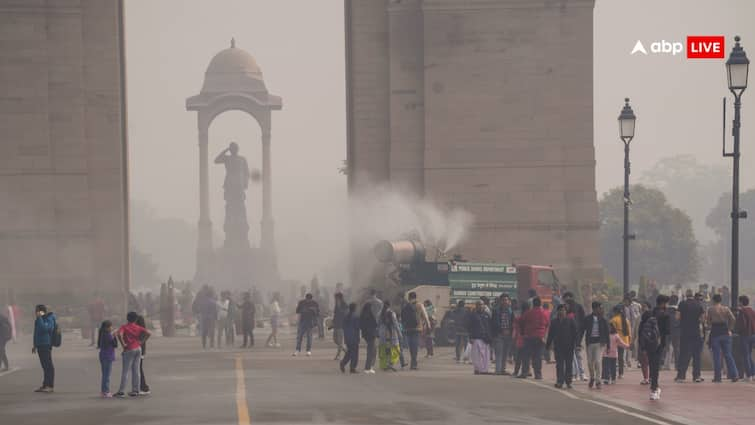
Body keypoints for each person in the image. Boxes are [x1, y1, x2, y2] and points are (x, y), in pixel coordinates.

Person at [640, 295, 670, 400]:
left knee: (652, 364)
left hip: (648, 343)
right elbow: (668, 331)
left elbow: (642, 330)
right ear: (663, 303)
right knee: (655, 366)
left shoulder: (648, 314)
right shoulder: (665, 315)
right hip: (659, 344)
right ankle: (654, 388)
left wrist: (642, 345)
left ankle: (654, 387)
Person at [114, 311, 151, 398]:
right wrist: (141, 341)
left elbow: (119, 334)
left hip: (129, 349)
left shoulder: (124, 327)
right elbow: (149, 333)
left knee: (125, 371)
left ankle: (121, 391)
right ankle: (135, 390)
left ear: (127, 318)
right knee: (136, 370)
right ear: (136, 319)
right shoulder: (138, 327)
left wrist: (123, 345)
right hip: (138, 348)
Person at [706, 293, 738, 383]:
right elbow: (733, 319)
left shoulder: (711, 309)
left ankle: (717, 377)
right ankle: (734, 375)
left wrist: (709, 325)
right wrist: (730, 329)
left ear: (713, 300)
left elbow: (708, 321)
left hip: (715, 332)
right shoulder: (726, 308)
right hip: (725, 331)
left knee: (717, 356)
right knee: (728, 355)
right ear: (720, 300)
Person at [675, 290, 706, 383]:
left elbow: (677, 317)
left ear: (686, 295)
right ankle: (696, 375)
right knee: (696, 355)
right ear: (693, 296)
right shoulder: (698, 305)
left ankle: (681, 375)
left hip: (685, 332)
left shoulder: (682, 304)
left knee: (684, 354)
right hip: (696, 332)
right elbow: (703, 319)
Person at [546, 304, 578, 388]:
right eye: (560, 310)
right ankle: (560, 381)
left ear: (566, 311)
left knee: (568, 364)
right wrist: (548, 345)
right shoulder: (554, 322)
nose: (562, 312)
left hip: (569, 346)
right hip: (558, 346)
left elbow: (575, 333)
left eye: (563, 310)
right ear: (557, 311)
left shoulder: (571, 321)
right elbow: (550, 334)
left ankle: (568, 382)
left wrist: (577, 344)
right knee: (559, 364)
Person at [517, 297, 549, 380]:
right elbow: (547, 324)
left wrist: (523, 332)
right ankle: (538, 374)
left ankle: (524, 372)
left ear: (533, 304)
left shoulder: (528, 313)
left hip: (529, 336)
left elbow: (521, 321)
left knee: (526, 355)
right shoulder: (544, 313)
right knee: (537, 356)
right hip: (540, 337)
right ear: (540, 304)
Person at [581, 301, 608, 389]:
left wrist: (608, 345)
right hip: (590, 343)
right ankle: (592, 377)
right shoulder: (587, 319)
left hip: (599, 343)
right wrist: (578, 343)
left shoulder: (603, 320)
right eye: (600, 308)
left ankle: (598, 381)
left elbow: (607, 333)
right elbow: (582, 331)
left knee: (597, 361)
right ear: (595, 309)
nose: (601, 310)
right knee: (589, 363)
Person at [401, 292, 430, 371]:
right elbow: (425, 316)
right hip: (417, 328)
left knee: (411, 346)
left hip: (407, 328)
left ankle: (413, 362)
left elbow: (402, 317)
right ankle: (414, 364)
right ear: (415, 297)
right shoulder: (419, 305)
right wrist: (428, 325)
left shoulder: (405, 305)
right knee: (415, 346)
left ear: (409, 297)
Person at [32, 304, 57, 393]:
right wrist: (34, 345)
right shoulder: (39, 320)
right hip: (40, 345)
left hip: (46, 344)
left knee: (48, 366)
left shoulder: (49, 318)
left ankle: (50, 386)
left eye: (37, 311)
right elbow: (36, 333)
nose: (35, 313)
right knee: (44, 366)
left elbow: (45, 329)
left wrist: (39, 318)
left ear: (41, 311)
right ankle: (45, 385)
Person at [563, 292, 587, 381]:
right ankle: (574, 374)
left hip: (577, 335)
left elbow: (583, 322)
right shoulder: (563, 309)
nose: (567, 301)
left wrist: (580, 336)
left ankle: (581, 373)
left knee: (577, 355)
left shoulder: (579, 307)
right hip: (567, 337)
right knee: (571, 356)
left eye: (569, 298)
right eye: (566, 299)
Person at [465, 300, 492, 374]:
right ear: (476, 306)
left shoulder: (487, 315)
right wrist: (470, 337)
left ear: (484, 305)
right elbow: (469, 327)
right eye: (479, 305)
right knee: (476, 356)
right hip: (476, 338)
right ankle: (477, 369)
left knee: (485, 355)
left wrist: (490, 337)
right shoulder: (472, 315)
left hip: (485, 338)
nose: (480, 306)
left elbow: (490, 326)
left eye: (482, 304)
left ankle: (484, 370)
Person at [491, 294, 515, 375]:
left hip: (508, 335)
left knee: (505, 353)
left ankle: (503, 369)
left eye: (506, 300)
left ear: (509, 301)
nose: (505, 301)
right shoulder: (496, 310)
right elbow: (495, 323)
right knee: (499, 353)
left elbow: (513, 322)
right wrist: (502, 330)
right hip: (499, 335)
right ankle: (498, 370)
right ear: (500, 301)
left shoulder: (511, 311)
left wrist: (510, 331)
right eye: (503, 300)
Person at [735, 295, 755, 381]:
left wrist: (737, 331)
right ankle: (753, 373)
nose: (738, 303)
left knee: (745, 355)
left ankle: (748, 375)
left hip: (744, 335)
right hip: (752, 335)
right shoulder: (752, 310)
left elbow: (741, 325)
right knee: (749, 355)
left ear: (741, 302)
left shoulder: (742, 311)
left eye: (739, 301)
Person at [609, 305, 631, 379]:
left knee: (613, 357)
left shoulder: (613, 320)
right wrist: (629, 341)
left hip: (615, 341)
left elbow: (611, 331)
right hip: (624, 341)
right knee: (621, 358)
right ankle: (621, 373)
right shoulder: (626, 320)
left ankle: (612, 373)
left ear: (615, 311)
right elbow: (629, 332)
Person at [378, 301, 401, 372]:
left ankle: (384, 365)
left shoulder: (379, 313)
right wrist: (399, 333)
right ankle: (390, 364)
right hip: (391, 334)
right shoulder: (392, 313)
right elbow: (396, 324)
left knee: (384, 350)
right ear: (389, 305)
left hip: (382, 334)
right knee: (395, 350)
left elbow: (378, 323)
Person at [97, 320, 117, 397]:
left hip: (102, 355)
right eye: (111, 326)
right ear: (107, 327)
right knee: (107, 375)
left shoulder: (102, 334)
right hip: (108, 356)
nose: (112, 328)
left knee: (104, 374)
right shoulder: (108, 335)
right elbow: (115, 344)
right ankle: (106, 391)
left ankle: (103, 391)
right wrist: (114, 336)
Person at [340, 303, 361, 374]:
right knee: (354, 353)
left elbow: (343, 326)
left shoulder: (346, 316)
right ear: (355, 308)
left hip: (348, 337)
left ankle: (343, 363)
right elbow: (358, 327)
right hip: (354, 337)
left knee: (349, 352)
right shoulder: (356, 317)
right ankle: (352, 367)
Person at [359, 300, 379, 374]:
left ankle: (370, 366)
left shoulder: (362, 315)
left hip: (366, 335)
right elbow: (375, 324)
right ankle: (368, 367)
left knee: (371, 350)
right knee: (371, 351)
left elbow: (361, 325)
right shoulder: (370, 315)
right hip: (371, 335)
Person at [663, 295, 680, 371]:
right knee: (676, 349)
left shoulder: (665, 310)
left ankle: (666, 364)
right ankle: (677, 365)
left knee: (666, 348)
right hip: (676, 331)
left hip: (667, 331)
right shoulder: (678, 311)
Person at [512, 301, 528, 377]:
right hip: (528, 338)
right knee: (526, 357)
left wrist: (514, 336)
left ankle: (516, 371)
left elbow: (516, 328)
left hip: (520, 339)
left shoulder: (519, 318)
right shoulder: (530, 316)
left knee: (519, 357)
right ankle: (525, 371)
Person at [135, 315, 150, 395]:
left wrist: (140, 342)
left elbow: (147, 334)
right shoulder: (139, 329)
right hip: (140, 350)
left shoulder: (141, 330)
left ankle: (144, 387)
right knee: (138, 368)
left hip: (140, 351)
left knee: (139, 368)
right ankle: (140, 387)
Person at [332, 292, 348, 361]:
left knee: (340, 341)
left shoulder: (344, 304)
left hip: (341, 325)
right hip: (336, 324)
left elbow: (346, 313)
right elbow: (335, 314)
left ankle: (338, 355)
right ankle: (346, 351)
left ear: (339, 298)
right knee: (335, 340)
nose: (335, 299)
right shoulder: (336, 305)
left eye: (336, 298)